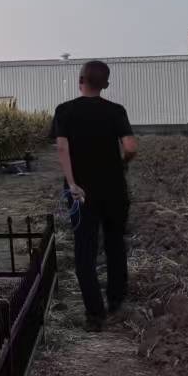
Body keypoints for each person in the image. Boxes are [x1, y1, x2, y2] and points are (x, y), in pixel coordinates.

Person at [51, 60, 138, 330]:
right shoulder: (116, 111)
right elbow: (130, 146)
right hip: (114, 190)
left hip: (82, 192)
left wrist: (72, 183)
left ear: (80, 81)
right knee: (115, 245)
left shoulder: (64, 111)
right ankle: (116, 301)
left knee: (85, 251)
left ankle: (95, 315)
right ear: (106, 85)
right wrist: (123, 162)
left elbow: (62, 148)